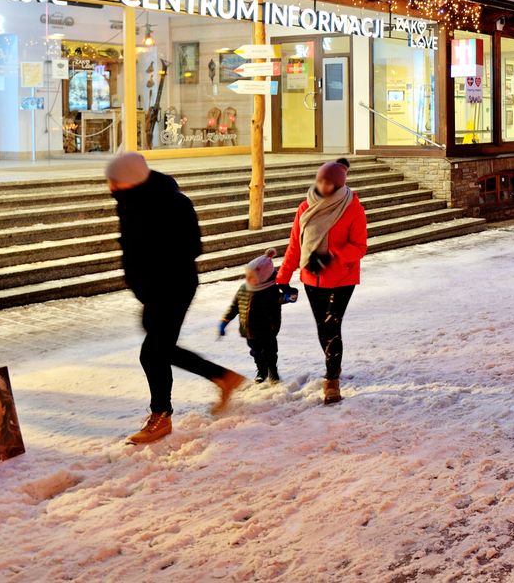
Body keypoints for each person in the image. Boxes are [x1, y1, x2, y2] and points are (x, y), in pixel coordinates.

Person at [108, 151, 244, 445]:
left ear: (129, 180)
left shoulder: (171, 203)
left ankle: (162, 417)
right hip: (152, 289)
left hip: (172, 287)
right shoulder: (130, 201)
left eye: (114, 179)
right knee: (160, 346)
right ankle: (221, 376)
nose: (110, 185)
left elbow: (191, 246)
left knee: (152, 353)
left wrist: (155, 273)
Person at [278, 159, 369, 404]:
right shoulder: (305, 207)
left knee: (331, 327)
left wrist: (332, 257)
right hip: (312, 277)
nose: (323, 185)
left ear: (338, 185)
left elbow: (360, 247)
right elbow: (295, 246)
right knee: (322, 327)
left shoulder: (352, 209)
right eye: (320, 180)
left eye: (328, 182)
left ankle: (331, 381)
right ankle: (334, 365)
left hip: (342, 278)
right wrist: (282, 278)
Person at [220, 250, 286, 384]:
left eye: (252, 276)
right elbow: (234, 306)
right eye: (247, 275)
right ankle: (261, 370)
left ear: (263, 277)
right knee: (255, 352)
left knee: (270, 352)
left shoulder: (271, 290)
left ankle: (273, 371)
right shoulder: (243, 288)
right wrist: (225, 321)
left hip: (267, 329)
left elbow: (282, 299)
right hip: (249, 330)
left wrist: (289, 296)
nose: (248, 278)